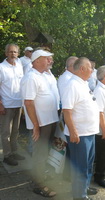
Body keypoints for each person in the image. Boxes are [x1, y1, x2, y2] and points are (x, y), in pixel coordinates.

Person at [21, 49, 58, 197]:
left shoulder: (43, 75)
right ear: (36, 60)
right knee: (40, 153)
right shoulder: (31, 77)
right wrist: (35, 125)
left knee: (45, 151)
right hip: (41, 124)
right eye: (47, 58)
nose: (50, 61)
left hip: (48, 121)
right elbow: (28, 103)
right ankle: (39, 185)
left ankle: (42, 175)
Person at [61, 57, 99, 200]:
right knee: (80, 168)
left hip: (89, 132)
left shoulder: (83, 83)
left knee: (88, 165)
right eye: (90, 67)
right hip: (80, 134)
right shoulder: (72, 85)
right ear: (82, 69)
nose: (92, 70)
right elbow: (67, 111)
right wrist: (73, 131)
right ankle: (79, 195)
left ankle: (85, 188)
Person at [0, 44, 24, 166]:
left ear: (18, 54)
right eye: (10, 52)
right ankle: (7, 155)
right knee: (6, 132)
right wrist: (0, 104)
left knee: (15, 130)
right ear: (6, 53)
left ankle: (14, 152)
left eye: (15, 52)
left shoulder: (19, 66)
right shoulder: (1, 67)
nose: (13, 54)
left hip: (18, 103)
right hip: (7, 105)